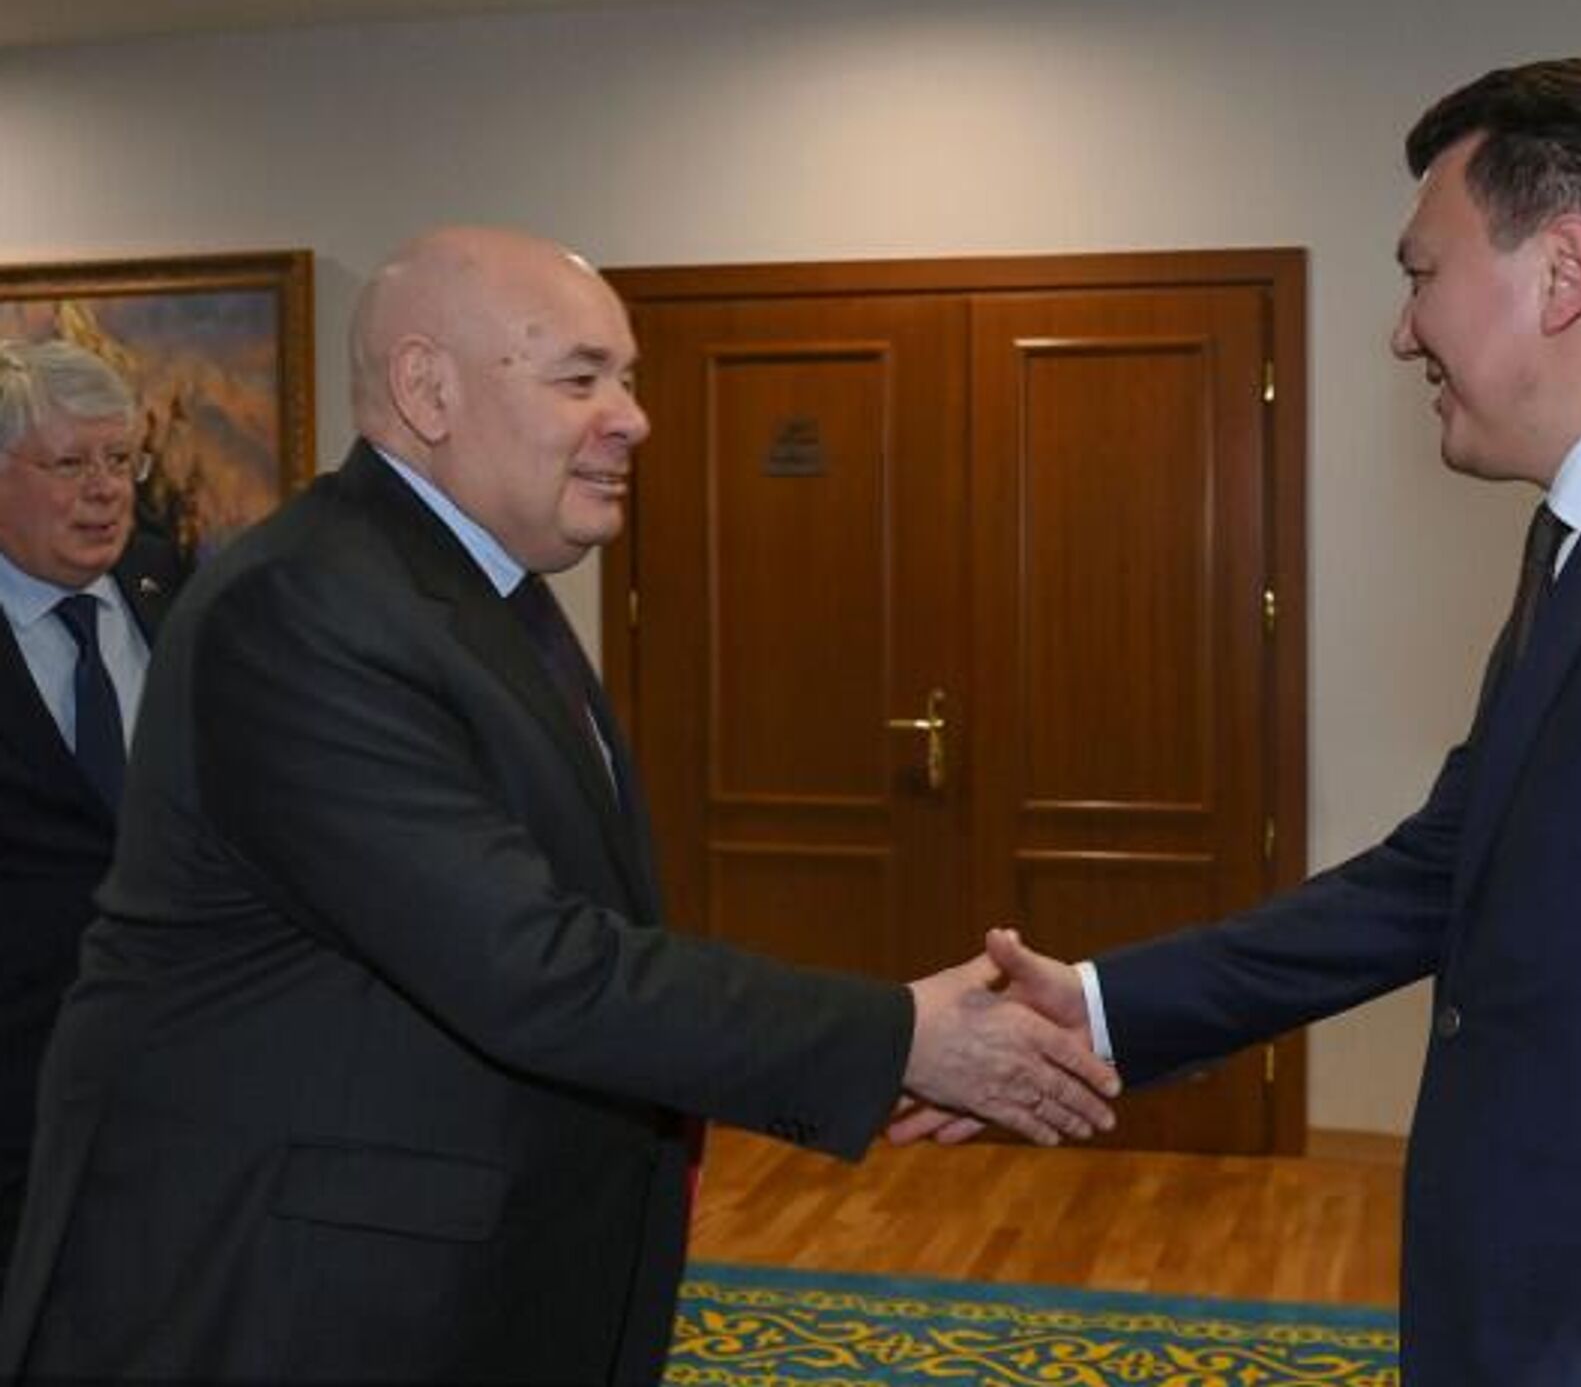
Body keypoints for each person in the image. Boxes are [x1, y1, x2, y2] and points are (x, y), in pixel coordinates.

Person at [904, 58, 1581, 1383]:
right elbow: (1439, 875)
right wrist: (1101, 1008)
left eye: (1421, 273)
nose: (1402, 331)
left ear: (1562, 271)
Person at [0, 226, 1120, 1383]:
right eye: (581, 378)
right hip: (297, 1302)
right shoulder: (303, 608)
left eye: (626, 378)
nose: (633, 418)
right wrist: (900, 1038)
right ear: (428, 389)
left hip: (461, 1270)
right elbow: (527, 962)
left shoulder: (478, 590)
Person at [0, 339, 187, 1301]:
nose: (105, 489)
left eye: (120, 459)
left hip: (178, 1077)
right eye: (70, 462)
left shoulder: (171, 590)